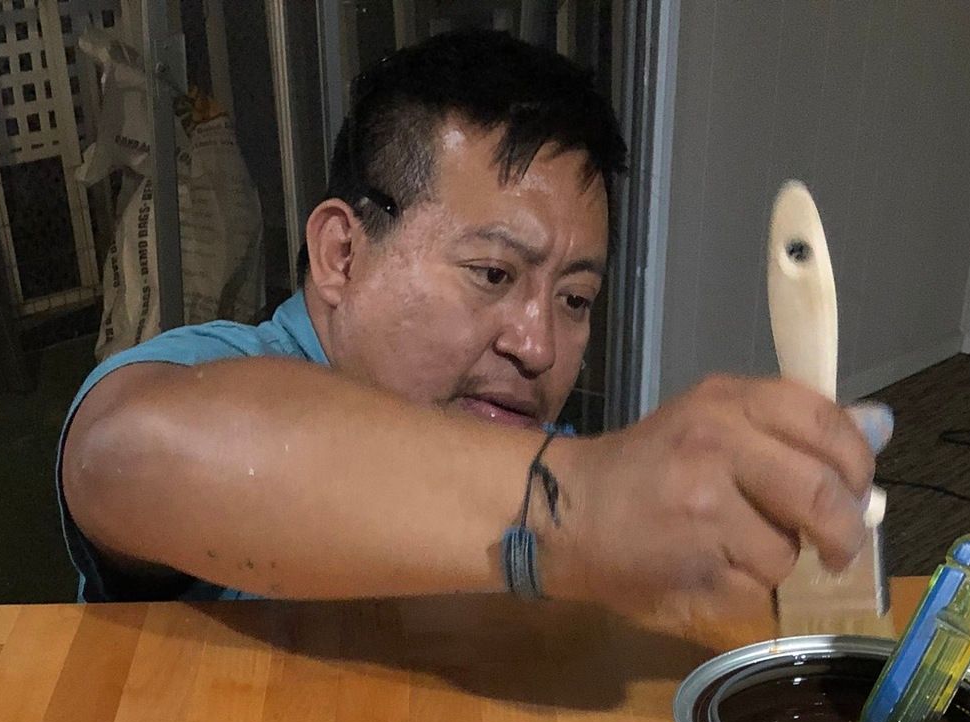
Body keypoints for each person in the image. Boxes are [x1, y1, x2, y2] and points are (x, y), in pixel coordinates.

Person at [60, 29, 890, 629]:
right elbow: (121, 454)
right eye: (492, 275)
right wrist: (578, 506)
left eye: (574, 300)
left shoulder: (516, 441)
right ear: (342, 254)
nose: (537, 347)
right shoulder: (226, 373)